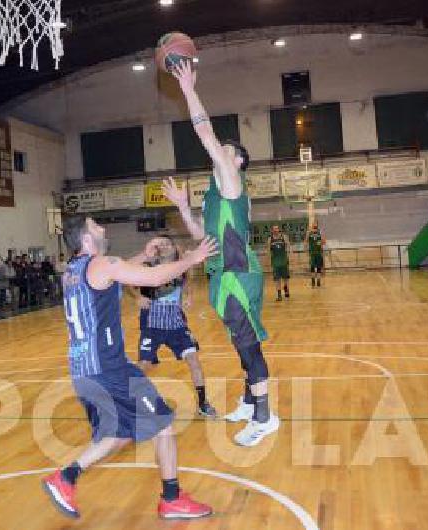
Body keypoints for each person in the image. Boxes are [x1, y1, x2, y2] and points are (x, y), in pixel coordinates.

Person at [41, 215, 216, 520]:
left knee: (118, 433)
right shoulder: (102, 264)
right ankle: (171, 499)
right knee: (162, 423)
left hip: (84, 371)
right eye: (96, 227)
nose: (103, 229)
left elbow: (111, 273)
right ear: (85, 239)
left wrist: (142, 256)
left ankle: (66, 478)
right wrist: (192, 258)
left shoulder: (72, 270)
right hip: (110, 370)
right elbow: (154, 279)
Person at [162, 60, 279, 447]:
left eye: (226, 151)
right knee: (239, 341)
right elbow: (203, 238)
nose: (218, 153)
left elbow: (206, 134)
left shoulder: (232, 180)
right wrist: (182, 207)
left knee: (248, 344)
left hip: (238, 276)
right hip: (223, 275)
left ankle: (264, 416)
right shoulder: (217, 197)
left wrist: (189, 90)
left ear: (237, 162)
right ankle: (250, 401)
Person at [135, 236, 216, 418]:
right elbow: (122, 281)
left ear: (174, 248)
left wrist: (187, 295)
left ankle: (203, 403)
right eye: (160, 244)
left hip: (176, 325)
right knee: (142, 367)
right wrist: (137, 297)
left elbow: (187, 282)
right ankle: (135, 405)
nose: (163, 246)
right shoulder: (147, 268)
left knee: (194, 360)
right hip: (152, 326)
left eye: (167, 243)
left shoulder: (181, 268)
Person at [269, 224, 291, 301]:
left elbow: (288, 246)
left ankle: (286, 289)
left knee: (286, 278)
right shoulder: (270, 239)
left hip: (284, 261)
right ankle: (279, 295)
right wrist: (269, 261)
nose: (275, 230)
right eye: (274, 229)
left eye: (277, 228)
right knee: (277, 279)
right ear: (272, 230)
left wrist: (289, 254)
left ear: (279, 229)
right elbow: (268, 251)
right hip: (275, 262)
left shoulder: (284, 237)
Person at [307, 222, 326, 288]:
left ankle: (318, 281)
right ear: (312, 225)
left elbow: (324, 242)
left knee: (318, 268)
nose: (314, 225)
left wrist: (320, 242)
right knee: (312, 267)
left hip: (318, 253)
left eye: (316, 224)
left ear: (317, 225)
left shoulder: (320, 232)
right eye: (313, 224)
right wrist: (306, 248)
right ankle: (313, 281)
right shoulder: (309, 232)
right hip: (312, 253)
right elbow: (306, 241)